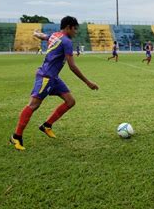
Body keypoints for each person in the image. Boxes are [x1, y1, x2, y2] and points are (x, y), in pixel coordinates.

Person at [9, 16, 99, 151]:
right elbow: (72, 66)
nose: (76, 32)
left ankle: (47, 125)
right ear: (68, 27)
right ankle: (16, 136)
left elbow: (44, 36)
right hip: (46, 77)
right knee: (33, 105)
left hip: (53, 78)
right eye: (75, 29)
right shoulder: (67, 41)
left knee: (70, 101)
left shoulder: (55, 35)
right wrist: (88, 82)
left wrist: (35, 34)